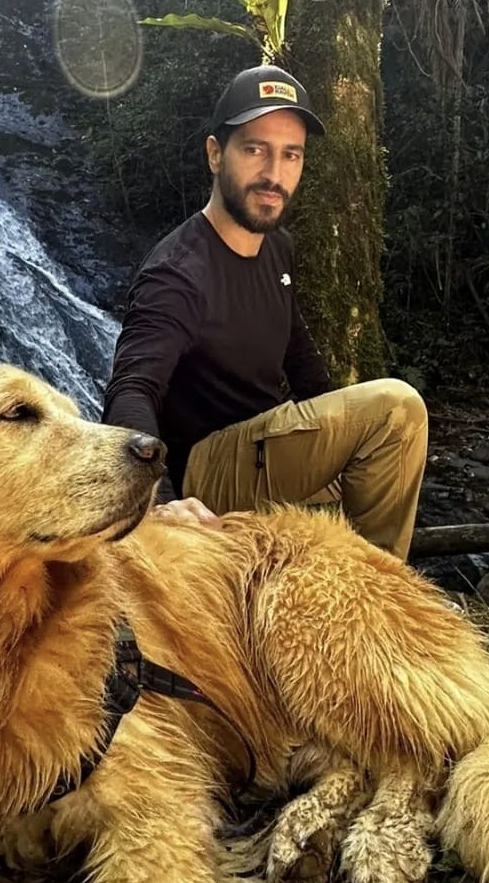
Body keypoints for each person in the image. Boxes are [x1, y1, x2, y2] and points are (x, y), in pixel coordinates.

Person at [100, 65, 427, 560]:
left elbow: (299, 356)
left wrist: (339, 439)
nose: (274, 174)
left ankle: (349, 579)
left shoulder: (277, 249)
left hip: (265, 448)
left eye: (290, 155)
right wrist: (158, 503)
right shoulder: (178, 272)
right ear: (215, 153)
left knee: (382, 460)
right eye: (255, 150)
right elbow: (131, 388)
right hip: (206, 469)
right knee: (398, 409)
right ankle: (384, 593)